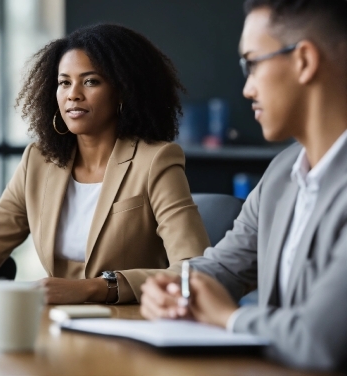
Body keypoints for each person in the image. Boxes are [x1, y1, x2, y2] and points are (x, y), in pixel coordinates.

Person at [0, 24, 210, 304]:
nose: (73, 94)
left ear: (122, 90)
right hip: (56, 326)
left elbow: (193, 268)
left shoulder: (155, 160)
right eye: (64, 82)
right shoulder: (39, 161)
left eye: (91, 81)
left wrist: (97, 288)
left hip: (132, 325)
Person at [140, 0, 347, 371]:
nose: (248, 89)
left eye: (252, 63)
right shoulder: (282, 172)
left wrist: (229, 318)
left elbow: (319, 342)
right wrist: (173, 287)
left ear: (304, 60)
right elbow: (225, 267)